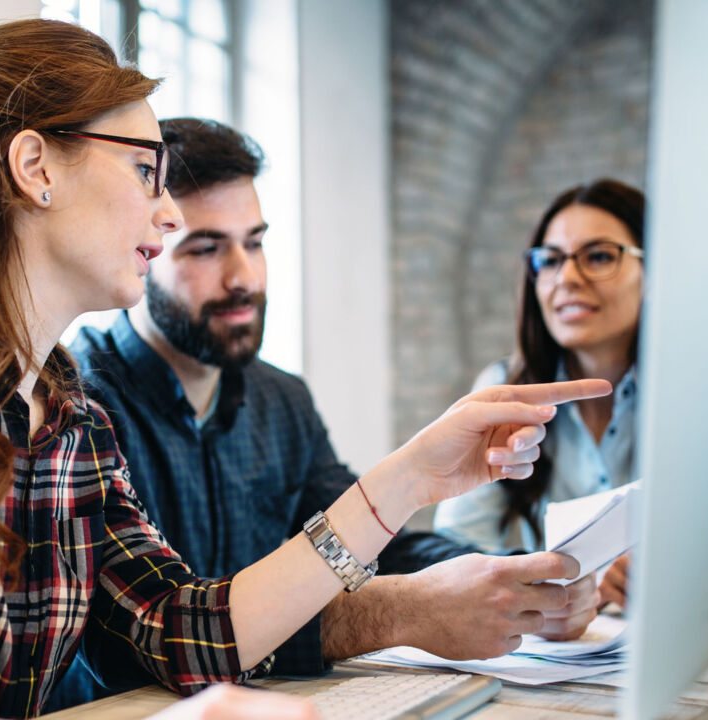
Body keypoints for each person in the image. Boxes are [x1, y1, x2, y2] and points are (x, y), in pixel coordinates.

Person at [0, 20, 609, 720]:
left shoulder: (71, 421)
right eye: (146, 171)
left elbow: (190, 629)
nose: (167, 215)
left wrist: (411, 477)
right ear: (35, 166)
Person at [57, 118, 604, 706]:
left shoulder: (281, 399)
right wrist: (402, 611)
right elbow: (148, 640)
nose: (245, 276)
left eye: (255, 241)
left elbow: (369, 541)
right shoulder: (79, 402)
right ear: (146, 247)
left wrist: (511, 580)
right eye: (207, 247)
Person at [433, 178, 645, 606]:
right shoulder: (504, 394)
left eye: (599, 256)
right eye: (550, 261)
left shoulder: (701, 401)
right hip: (557, 656)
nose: (566, 278)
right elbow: (451, 552)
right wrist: (536, 585)